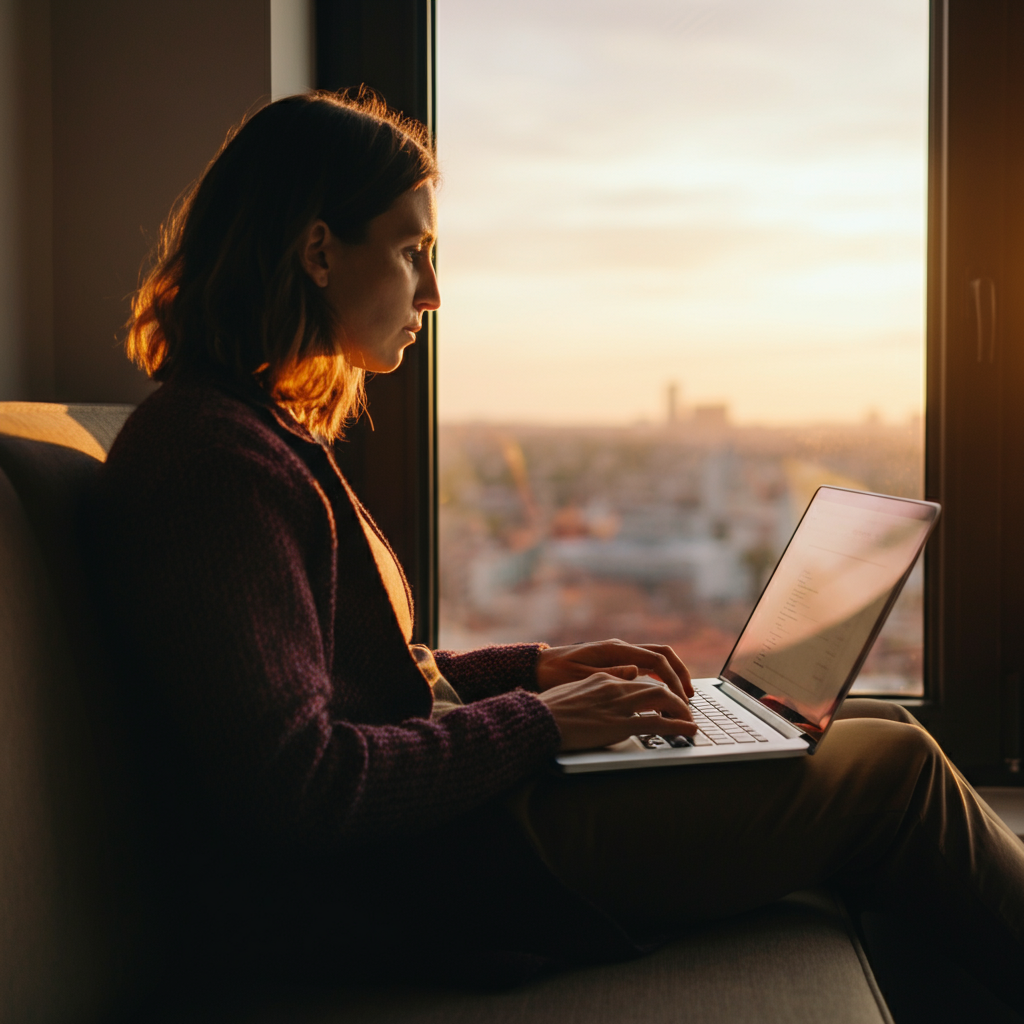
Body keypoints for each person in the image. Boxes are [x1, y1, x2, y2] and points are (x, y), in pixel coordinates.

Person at [92, 90, 1024, 1008]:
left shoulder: (251, 431)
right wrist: (545, 721)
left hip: (449, 836)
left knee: (889, 734)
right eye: (412, 250)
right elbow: (299, 784)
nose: (433, 290)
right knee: (894, 778)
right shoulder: (215, 463)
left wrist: (535, 670)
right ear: (317, 248)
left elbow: (365, 679)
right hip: (434, 871)